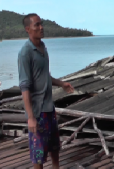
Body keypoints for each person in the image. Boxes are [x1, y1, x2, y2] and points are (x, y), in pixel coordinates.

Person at [18, 13, 74, 169]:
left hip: (49, 109)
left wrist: (61, 83)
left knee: (55, 148)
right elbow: (24, 86)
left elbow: (45, 76)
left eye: (41, 24)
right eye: (37, 25)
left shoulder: (43, 47)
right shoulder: (25, 53)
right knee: (39, 155)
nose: (41, 27)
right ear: (28, 29)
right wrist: (30, 117)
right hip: (38, 112)